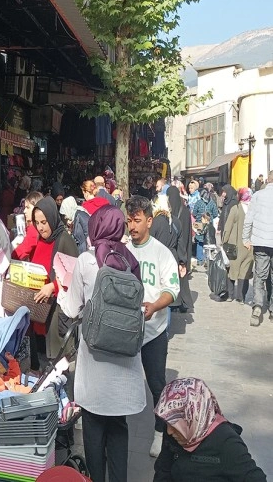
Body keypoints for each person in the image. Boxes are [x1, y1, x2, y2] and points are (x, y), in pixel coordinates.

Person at [58, 205, 147, 482]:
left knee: (94, 427)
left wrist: (61, 293)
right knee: (119, 427)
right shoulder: (132, 261)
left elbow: (72, 310)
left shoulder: (86, 261)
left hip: (95, 362)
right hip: (125, 362)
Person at [125, 196, 180, 457]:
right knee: (120, 378)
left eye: (137, 221)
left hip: (154, 331)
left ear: (149, 220)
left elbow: (172, 290)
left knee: (157, 384)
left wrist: (155, 306)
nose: (132, 226)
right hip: (125, 330)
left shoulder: (161, 252)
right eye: (129, 220)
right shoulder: (122, 248)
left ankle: (160, 431)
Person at [153, 378, 266, 481]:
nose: (169, 431)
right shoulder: (174, 430)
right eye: (167, 423)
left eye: (174, 425)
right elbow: (163, 470)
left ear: (193, 417)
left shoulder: (226, 442)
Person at [29, 197, 79, 359]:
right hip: (41, 308)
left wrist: (52, 287)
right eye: (37, 223)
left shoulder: (64, 240)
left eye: (44, 222)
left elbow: (74, 275)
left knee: (58, 360)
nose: (40, 227)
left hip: (58, 311)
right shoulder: (40, 240)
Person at [243, 170, 273, 326]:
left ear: (267, 180)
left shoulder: (257, 196)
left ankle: (257, 306)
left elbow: (249, 219)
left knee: (259, 276)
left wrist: (245, 238)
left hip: (261, 241)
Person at [223, 188, 254, 305]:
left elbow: (228, 227)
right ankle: (241, 297)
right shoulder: (253, 210)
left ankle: (231, 294)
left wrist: (224, 241)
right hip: (249, 246)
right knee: (244, 272)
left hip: (235, 246)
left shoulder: (235, 209)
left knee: (232, 270)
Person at [167, 187, 194, 313]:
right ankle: (184, 301)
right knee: (181, 275)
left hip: (172, 246)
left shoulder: (168, 212)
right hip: (183, 246)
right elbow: (188, 232)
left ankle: (174, 300)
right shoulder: (185, 211)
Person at [12, 191, 43, 261]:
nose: (24, 211)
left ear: (36, 209)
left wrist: (11, 254)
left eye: (28, 207)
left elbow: (21, 252)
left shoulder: (34, 229)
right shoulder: (37, 226)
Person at [192, 189, 218, 264]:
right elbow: (215, 214)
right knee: (208, 242)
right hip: (209, 225)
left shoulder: (198, 202)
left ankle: (200, 260)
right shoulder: (212, 203)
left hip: (200, 225)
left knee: (199, 242)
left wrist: (199, 216)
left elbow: (194, 213)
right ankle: (208, 259)